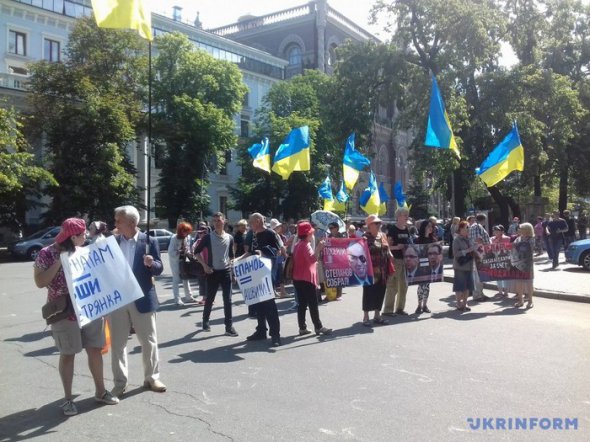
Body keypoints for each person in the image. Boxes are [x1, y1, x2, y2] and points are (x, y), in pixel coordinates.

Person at [34, 217, 119, 416]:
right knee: (68, 354)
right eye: (82, 234)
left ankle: (100, 391)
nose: (86, 237)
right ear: (72, 237)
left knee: (95, 350)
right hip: (63, 312)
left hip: (89, 309)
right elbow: (39, 281)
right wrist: (60, 261)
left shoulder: (85, 251)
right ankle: (68, 399)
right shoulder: (46, 254)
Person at [109, 205, 166, 397]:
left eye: (118, 220)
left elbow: (159, 268)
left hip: (142, 297)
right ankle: (120, 382)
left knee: (148, 340)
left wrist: (152, 263)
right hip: (118, 300)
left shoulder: (149, 241)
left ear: (132, 223)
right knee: (117, 344)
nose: (115, 223)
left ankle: (152, 377)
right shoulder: (112, 242)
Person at [240, 213, 282, 347]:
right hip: (255, 274)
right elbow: (250, 252)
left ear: (258, 221)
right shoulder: (253, 234)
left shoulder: (270, 233)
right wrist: (237, 261)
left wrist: (262, 253)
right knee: (258, 304)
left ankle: (275, 335)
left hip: (267, 274)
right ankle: (261, 331)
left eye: (251, 222)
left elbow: (278, 251)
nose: (250, 225)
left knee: (269, 305)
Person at [193, 212, 238, 337]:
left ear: (224, 221)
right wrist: (205, 266)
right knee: (210, 298)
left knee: (228, 300)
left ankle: (229, 327)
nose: (217, 223)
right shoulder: (207, 237)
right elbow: (196, 252)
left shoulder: (230, 237)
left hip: (226, 272)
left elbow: (231, 256)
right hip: (212, 272)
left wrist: (233, 273)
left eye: (219, 220)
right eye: (215, 221)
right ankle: (205, 321)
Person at [292, 221, 332, 336]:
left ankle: (302, 328)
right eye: (311, 233)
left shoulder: (298, 244)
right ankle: (318, 327)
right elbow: (312, 259)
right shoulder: (305, 245)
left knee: (302, 304)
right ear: (307, 234)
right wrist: (319, 248)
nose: (312, 235)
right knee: (313, 304)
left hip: (298, 278)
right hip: (306, 279)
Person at [362, 214, 393, 326]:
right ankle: (366, 317)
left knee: (381, 291)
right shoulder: (364, 238)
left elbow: (387, 248)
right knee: (369, 292)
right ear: (370, 225)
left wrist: (390, 254)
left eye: (379, 223)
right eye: (376, 223)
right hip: (370, 271)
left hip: (383, 269)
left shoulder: (383, 235)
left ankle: (377, 315)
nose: (379, 225)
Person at [383, 207, 411, 316]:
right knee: (392, 286)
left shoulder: (406, 229)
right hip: (394, 260)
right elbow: (387, 247)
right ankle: (388, 310)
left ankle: (400, 308)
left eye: (407, 215)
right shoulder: (392, 230)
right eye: (405, 215)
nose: (406, 217)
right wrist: (397, 247)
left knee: (404, 286)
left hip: (404, 260)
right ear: (399, 216)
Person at [168, 222, 195, 306]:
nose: (187, 233)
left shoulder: (188, 237)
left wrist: (189, 253)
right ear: (180, 231)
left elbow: (188, 249)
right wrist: (180, 251)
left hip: (184, 260)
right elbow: (170, 252)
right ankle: (177, 299)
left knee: (186, 278)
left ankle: (189, 297)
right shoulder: (174, 238)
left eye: (188, 231)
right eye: (185, 231)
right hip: (175, 261)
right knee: (176, 280)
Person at [509, 223, 535, 308]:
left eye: (521, 229)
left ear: (526, 230)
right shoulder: (518, 238)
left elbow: (530, 249)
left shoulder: (531, 239)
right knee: (519, 283)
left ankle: (530, 301)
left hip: (527, 265)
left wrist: (517, 245)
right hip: (518, 264)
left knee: (529, 283)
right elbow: (513, 247)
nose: (519, 230)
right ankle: (520, 300)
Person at [452, 221, 476, 312]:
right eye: (467, 227)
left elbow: (473, 250)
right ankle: (458, 303)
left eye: (469, 227)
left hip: (469, 265)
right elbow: (456, 253)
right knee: (459, 286)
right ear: (461, 229)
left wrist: (476, 249)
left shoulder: (469, 239)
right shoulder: (456, 240)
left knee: (467, 286)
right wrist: (467, 250)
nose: (468, 229)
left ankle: (465, 303)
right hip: (460, 266)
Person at [414, 220, 436, 314]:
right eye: (428, 226)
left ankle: (425, 305)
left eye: (431, 226)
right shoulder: (418, 240)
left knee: (427, 286)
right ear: (424, 228)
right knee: (420, 286)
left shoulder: (433, 240)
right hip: (420, 265)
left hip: (430, 266)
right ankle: (419, 305)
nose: (430, 228)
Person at [469, 213, 491, 301]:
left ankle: (480, 293)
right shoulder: (478, 226)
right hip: (479, 252)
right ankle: (478, 295)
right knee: (478, 275)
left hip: (476, 252)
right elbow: (478, 239)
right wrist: (485, 247)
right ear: (483, 220)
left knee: (479, 274)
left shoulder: (473, 226)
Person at [491, 225, 511, 298]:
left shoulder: (507, 238)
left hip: (505, 259)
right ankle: (500, 291)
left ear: (502, 231)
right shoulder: (492, 239)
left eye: (497, 230)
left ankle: (506, 292)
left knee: (505, 276)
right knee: (498, 276)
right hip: (496, 260)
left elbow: (509, 249)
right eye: (494, 230)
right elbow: (490, 249)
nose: (495, 231)